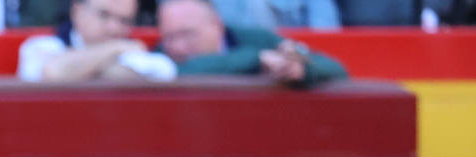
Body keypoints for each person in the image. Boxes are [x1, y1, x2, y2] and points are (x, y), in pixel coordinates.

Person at [158, 0, 347, 85]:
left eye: (187, 35)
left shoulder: (256, 38)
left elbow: (334, 68)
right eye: (169, 37)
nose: (177, 46)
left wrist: (298, 67)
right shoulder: (159, 56)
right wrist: (258, 58)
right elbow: (179, 73)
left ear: (216, 25)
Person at [17, 0, 175, 83]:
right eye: (104, 15)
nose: (114, 28)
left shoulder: (140, 57)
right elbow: (53, 73)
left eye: (124, 20)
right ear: (76, 11)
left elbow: (164, 72)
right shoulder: (39, 46)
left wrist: (76, 70)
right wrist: (115, 48)